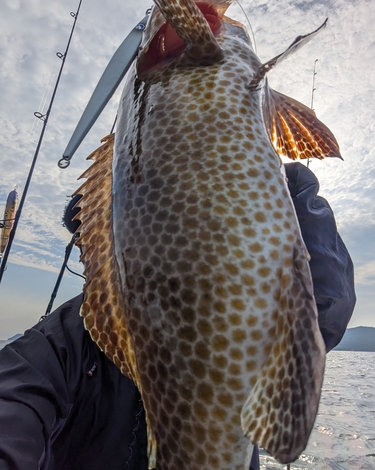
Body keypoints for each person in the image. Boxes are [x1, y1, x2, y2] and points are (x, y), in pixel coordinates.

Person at [0, 162, 356, 470]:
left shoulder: (231, 308)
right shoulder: (61, 340)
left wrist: (294, 197)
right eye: (91, 234)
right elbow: (14, 399)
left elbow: (319, 316)